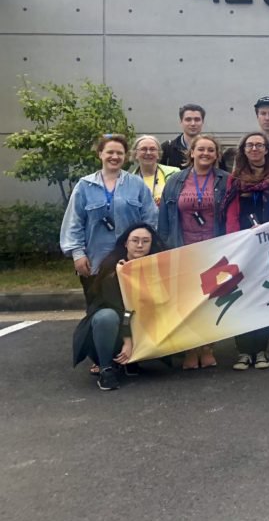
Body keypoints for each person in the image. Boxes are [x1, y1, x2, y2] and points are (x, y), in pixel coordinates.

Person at [158, 134, 229, 370]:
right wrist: (166, 247)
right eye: (201, 149)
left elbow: (232, 214)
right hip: (183, 247)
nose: (205, 154)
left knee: (210, 300)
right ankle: (190, 348)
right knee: (186, 301)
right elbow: (165, 219)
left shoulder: (225, 180)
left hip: (214, 248)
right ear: (192, 153)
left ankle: (207, 347)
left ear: (217, 155)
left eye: (210, 150)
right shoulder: (176, 181)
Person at [72, 223, 167, 391]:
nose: (139, 245)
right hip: (110, 330)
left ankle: (133, 361)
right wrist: (127, 340)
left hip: (141, 329)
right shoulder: (112, 268)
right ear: (125, 243)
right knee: (107, 316)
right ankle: (106, 368)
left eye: (145, 241)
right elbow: (121, 309)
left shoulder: (156, 268)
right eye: (135, 240)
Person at [60, 134, 159, 280]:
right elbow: (74, 222)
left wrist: (144, 250)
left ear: (125, 156)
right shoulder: (84, 186)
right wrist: (78, 254)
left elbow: (151, 220)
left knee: (129, 302)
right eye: (110, 152)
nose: (115, 156)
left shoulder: (137, 184)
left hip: (131, 262)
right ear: (100, 154)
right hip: (94, 260)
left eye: (120, 153)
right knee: (97, 302)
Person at [223, 132, 269, 371]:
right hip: (242, 245)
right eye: (250, 145)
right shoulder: (234, 179)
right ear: (244, 150)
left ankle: (261, 349)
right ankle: (244, 351)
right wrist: (235, 239)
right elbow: (229, 211)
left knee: (265, 297)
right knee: (242, 297)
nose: (255, 148)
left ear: (267, 149)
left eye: (259, 145)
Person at [127, 135, 179, 207]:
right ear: (135, 154)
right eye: (143, 149)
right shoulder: (128, 181)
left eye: (152, 149)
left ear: (158, 154)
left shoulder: (175, 174)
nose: (148, 153)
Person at [161, 103, 206, 169]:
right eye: (188, 119)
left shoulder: (212, 149)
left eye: (197, 119)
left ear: (203, 122)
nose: (193, 123)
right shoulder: (167, 148)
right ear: (181, 121)